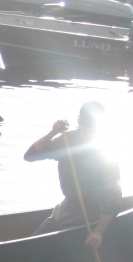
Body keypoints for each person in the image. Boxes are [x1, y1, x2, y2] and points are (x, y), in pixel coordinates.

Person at [24, 102, 121, 252]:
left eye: (93, 122)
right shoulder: (67, 141)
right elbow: (30, 156)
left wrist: (98, 231)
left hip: (88, 212)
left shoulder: (105, 148)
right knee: (30, 247)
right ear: (79, 121)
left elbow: (114, 196)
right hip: (63, 209)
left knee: (48, 250)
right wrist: (53, 132)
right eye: (86, 121)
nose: (88, 126)